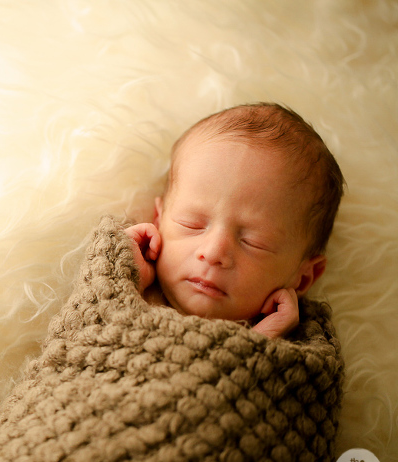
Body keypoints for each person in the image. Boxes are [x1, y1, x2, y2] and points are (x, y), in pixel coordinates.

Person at [126, 102, 344, 338]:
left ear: (302, 278)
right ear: (158, 221)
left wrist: (258, 345)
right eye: (192, 224)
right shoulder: (121, 288)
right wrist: (128, 276)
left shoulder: (300, 349)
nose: (213, 253)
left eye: (254, 242)